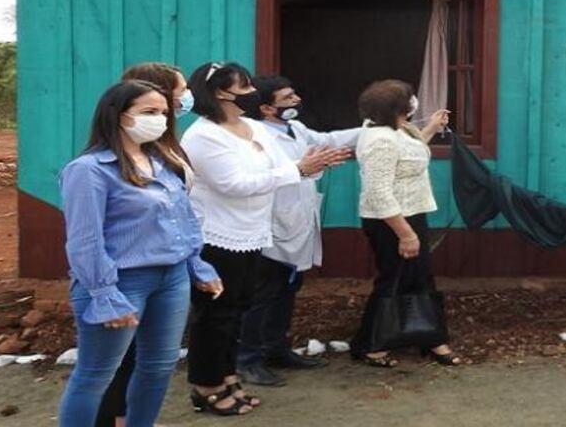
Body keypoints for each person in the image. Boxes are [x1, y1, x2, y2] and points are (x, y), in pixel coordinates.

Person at [181, 62, 345, 416]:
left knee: (238, 309)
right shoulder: (202, 135)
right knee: (215, 314)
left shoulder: (252, 127)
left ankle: (226, 374)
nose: (251, 91)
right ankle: (205, 384)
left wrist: (312, 164)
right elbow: (234, 184)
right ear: (222, 93)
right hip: (218, 236)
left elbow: (282, 165)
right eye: (244, 86)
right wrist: (297, 170)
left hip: (254, 233)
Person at [57, 80, 222, 427]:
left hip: (171, 277)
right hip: (120, 282)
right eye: (149, 112)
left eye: (163, 112)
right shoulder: (89, 170)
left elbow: (184, 218)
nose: (160, 119)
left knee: (159, 367)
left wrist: (196, 264)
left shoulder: (160, 160)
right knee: (95, 375)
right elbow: (84, 240)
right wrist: (103, 293)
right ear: (118, 116)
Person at [236, 75, 359, 386]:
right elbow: (261, 177)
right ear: (265, 108)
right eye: (287, 99)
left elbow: (327, 141)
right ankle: (247, 359)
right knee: (261, 295)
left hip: (297, 222)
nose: (295, 101)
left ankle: (276, 348)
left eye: (294, 95)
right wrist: (306, 167)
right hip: (270, 225)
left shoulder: (296, 129)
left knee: (287, 290)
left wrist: (373, 127)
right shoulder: (255, 137)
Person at [95, 63, 198, 427]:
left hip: (168, 261)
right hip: (130, 267)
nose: (186, 97)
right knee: (123, 355)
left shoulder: (161, 146)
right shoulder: (111, 158)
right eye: (180, 90)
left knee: (148, 356)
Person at [350, 79, 461, 367]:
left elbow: (408, 155)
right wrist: (406, 234)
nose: (415, 102)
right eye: (410, 99)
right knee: (394, 279)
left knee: (419, 276)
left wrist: (432, 129)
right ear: (398, 107)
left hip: (410, 214)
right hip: (391, 221)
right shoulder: (380, 140)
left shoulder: (396, 131)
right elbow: (379, 191)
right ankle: (370, 344)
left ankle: (430, 337)